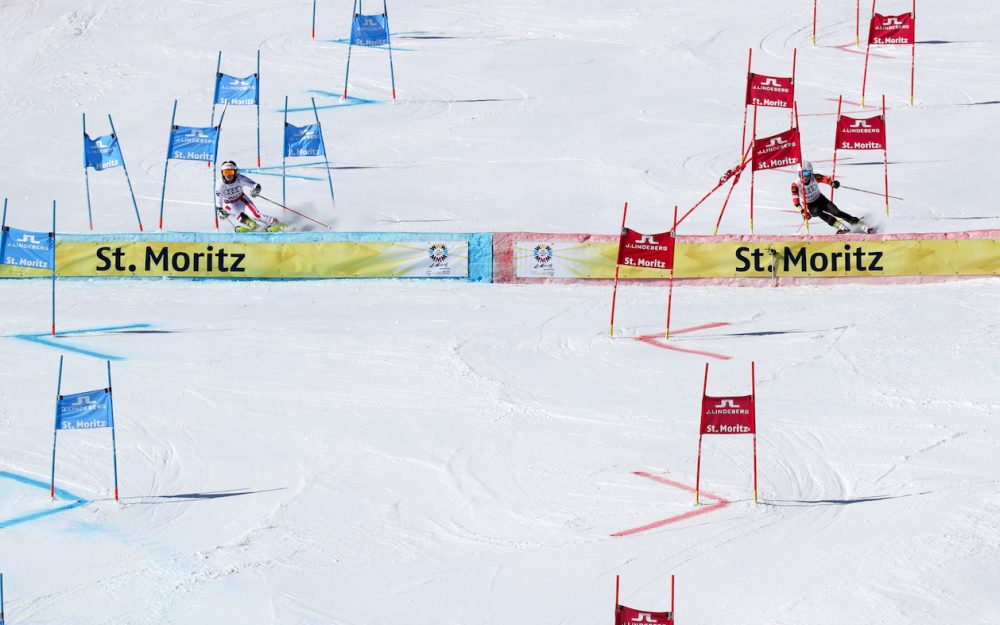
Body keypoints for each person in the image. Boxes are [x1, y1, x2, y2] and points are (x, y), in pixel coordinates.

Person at [791, 161, 870, 233]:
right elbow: (796, 203)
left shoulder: (814, 177)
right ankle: (840, 226)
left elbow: (825, 179)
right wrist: (802, 212)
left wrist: (833, 183)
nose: (804, 177)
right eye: (801, 174)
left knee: (837, 212)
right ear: (798, 174)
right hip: (810, 205)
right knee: (817, 212)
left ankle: (860, 225)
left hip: (820, 199)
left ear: (811, 173)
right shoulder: (796, 185)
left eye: (807, 174)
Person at [215, 161, 285, 233]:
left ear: (235, 172)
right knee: (237, 214)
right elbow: (218, 200)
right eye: (225, 172)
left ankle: (279, 224)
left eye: (231, 172)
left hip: (241, 200)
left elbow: (256, 185)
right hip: (229, 203)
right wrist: (220, 210)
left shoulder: (240, 178)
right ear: (222, 173)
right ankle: (254, 226)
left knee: (256, 216)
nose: (228, 175)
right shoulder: (220, 184)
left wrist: (256, 190)